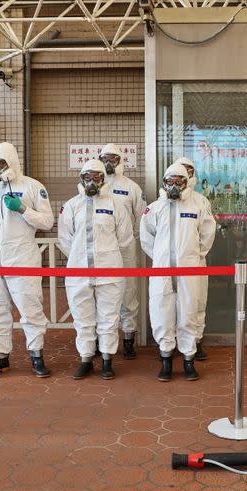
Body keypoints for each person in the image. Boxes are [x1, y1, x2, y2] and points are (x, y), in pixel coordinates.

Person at [0, 142, 54, 378]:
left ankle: (37, 356)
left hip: (22, 258)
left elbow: (47, 222)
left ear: (12, 163)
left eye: (0, 163)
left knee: (30, 308)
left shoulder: (33, 187)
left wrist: (22, 209)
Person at [140, 163, 216, 381]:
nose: (174, 186)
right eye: (170, 181)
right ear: (164, 183)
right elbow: (146, 238)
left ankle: (188, 360)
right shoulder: (154, 208)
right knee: (161, 312)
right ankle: (165, 360)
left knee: (188, 312)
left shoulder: (197, 205)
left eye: (179, 181)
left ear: (186, 183)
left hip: (189, 271)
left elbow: (207, 233)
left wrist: (194, 256)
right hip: (162, 272)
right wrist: (161, 257)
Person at [59, 160, 133, 380]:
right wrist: (79, 258)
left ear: (103, 179)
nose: (92, 181)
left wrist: (107, 256)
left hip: (109, 272)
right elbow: (65, 239)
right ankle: (86, 359)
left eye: (97, 177)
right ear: (82, 179)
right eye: (88, 177)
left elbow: (125, 239)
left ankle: (108, 359)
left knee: (109, 318)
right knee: (82, 318)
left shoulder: (115, 205)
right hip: (78, 272)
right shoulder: (71, 205)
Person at [98, 143, 146, 359]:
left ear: (120, 161)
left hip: (125, 250)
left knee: (128, 294)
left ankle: (128, 338)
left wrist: (131, 239)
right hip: (101, 252)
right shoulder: (94, 184)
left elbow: (142, 217)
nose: (109, 162)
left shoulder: (131, 187)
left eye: (113, 158)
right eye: (105, 158)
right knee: (100, 295)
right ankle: (100, 339)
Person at [174, 156, 216, 361]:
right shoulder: (163, 201)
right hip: (169, 267)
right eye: (181, 169)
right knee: (171, 304)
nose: (185, 174)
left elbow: (208, 233)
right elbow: (150, 236)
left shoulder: (200, 201)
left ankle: (196, 342)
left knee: (197, 302)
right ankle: (172, 343)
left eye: (189, 170)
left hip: (195, 264)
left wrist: (196, 255)